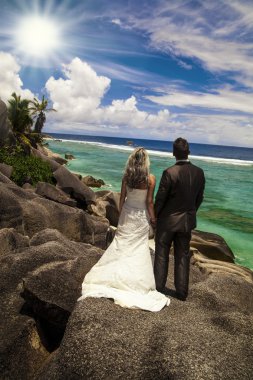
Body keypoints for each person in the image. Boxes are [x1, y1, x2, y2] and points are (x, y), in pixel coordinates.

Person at [78, 147, 170, 312]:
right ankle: (134, 282)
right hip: (141, 216)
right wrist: (154, 220)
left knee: (121, 244)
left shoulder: (127, 177)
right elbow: (149, 202)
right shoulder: (151, 179)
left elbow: (122, 198)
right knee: (138, 248)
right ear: (145, 162)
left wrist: (121, 215)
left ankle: (113, 275)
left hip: (128, 213)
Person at [154, 137, 205, 301]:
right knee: (182, 255)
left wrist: (154, 216)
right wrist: (191, 212)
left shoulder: (169, 172)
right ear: (188, 152)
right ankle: (182, 292)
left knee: (162, 253)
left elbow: (160, 199)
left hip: (167, 222)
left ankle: (158, 288)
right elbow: (199, 198)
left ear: (174, 153)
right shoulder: (199, 172)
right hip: (186, 222)